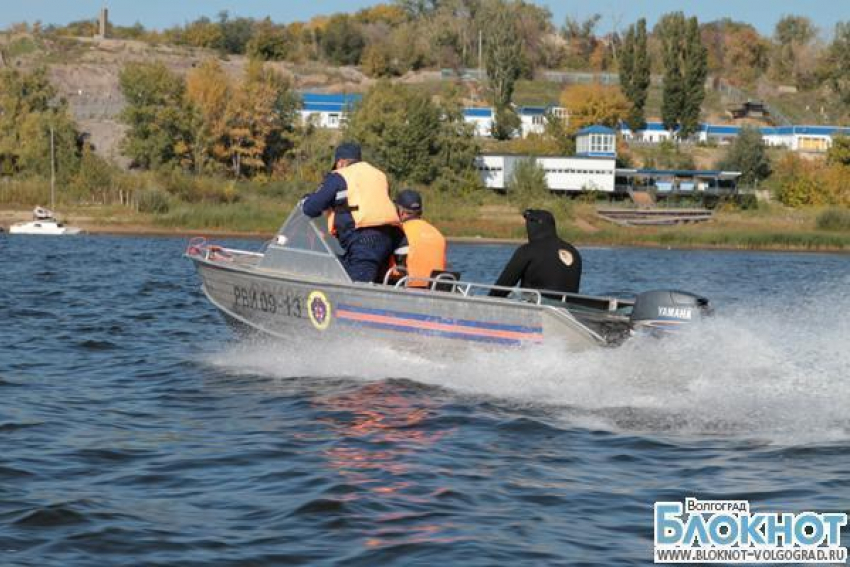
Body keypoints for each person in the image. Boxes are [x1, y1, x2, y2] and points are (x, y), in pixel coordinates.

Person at [301, 143, 399, 282]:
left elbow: (311, 208)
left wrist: (306, 200)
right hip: (388, 239)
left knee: (355, 289)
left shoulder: (340, 175)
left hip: (364, 241)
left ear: (340, 162)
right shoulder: (379, 175)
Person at [488, 209, 582, 298]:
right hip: (567, 312)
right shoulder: (573, 252)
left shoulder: (529, 250)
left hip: (537, 310)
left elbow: (502, 287)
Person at [389, 189, 447, 288]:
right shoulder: (438, 234)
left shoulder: (399, 231)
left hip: (406, 287)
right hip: (435, 289)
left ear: (401, 212)